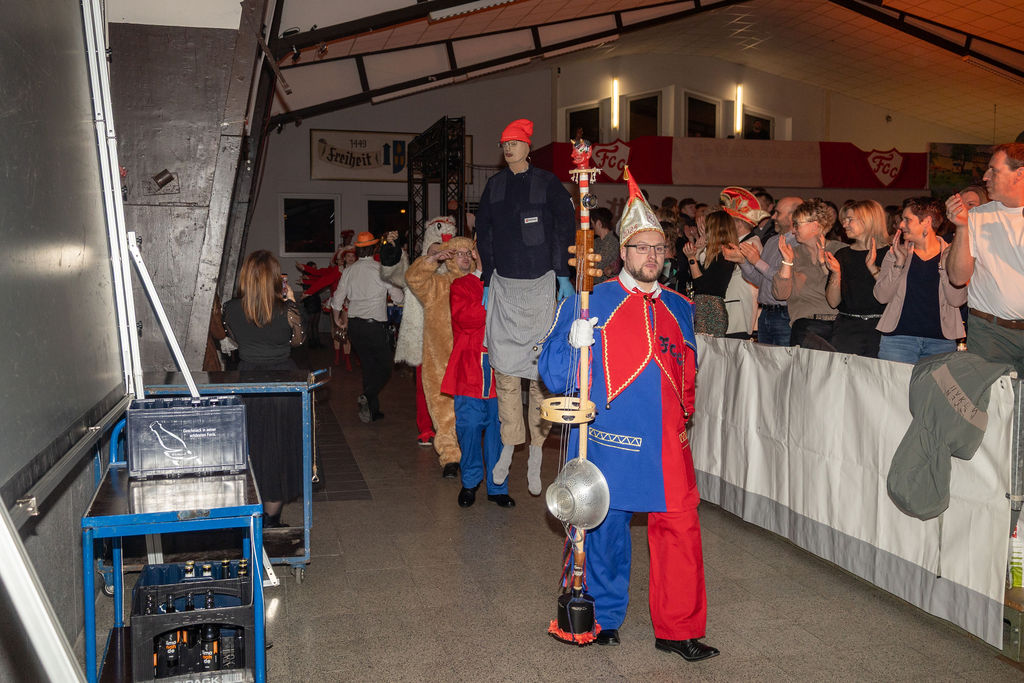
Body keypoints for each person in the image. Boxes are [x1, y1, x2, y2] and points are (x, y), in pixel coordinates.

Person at [538, 169, 718, 662]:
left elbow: (688, 371)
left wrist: (684, 418)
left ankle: (679, 629)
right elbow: (554, 375)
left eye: (659, 248)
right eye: (641, 248)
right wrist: (572, 343)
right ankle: (604, 617)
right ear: (623, 251)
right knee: (605, 532)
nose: (651, 256)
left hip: (668, 444)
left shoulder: (680, 306)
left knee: (680, 531)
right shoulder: (589, 301)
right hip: (610, 440)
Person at [476, 118, 574, 495]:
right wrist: (488, 279)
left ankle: (535, 452)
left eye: (514, 142)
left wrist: (562, 273)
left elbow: (564, 227)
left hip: (541, 285)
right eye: (504, 143)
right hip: (504, 286)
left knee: (538, 377)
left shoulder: (547, 182)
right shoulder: (494, 185)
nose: (508, 148)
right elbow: (484, 232)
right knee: (504, 372)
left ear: (527, 146)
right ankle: (509, 444)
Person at [222, 250, 305, 528]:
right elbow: (298, 341)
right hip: (283, 382)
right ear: (275, 278)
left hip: (248, 381)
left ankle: (250, 512)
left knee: (252, 447)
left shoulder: (230, 308)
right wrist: (291, 303)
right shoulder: (286, 310)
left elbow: (233, 339)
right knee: (280, 449)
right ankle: (271, 518)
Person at [441, 244, 514, 508]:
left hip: (500, 371)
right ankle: (470, 482)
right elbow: (466, 318)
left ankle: (497, 486)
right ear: (476, 253)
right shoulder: (461, 285)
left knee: (499, 431)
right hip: (469, 370)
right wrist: (497, 302)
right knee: (469, 428)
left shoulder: (508, 284)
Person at [946, 143, 1024, 375]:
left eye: (994, 170)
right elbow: (957, 278)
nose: (985, 176)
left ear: (1019, 174)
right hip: (990, 333)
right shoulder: (977, 217)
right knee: (988, 395)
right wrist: (961, 227)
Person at [406, 234, 478, 479]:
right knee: (443, 413)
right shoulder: (437, 286)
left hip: (472, 362)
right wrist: (432, 258)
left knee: (471, 414)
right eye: (459, 253)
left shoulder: (482, 283)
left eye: (468, 253)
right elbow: (413, 278)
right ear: (450, 258)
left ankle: (470, 454)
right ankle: (450, 457)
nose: (464, 258)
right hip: (440, 362)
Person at [873, 197, 966, 363]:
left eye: (907, 219)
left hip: (941, 343)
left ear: (926, 222)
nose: (901, 225)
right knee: (896, 381)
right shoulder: (895, 253)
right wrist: (899, 264)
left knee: (935, 382)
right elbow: (881, 297)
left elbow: (957, 300)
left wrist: (945, 265)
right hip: (898, 340)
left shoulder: (952, 254)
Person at [331, 231, 404, 423]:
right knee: (385, 368)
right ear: (374, 249)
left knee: (368, 367)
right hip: (375, 327)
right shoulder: (381, 269)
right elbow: (398, 298)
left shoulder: (349, 271)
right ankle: (367, 395)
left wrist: (337, 319)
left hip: (355, 326)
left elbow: (337, 299)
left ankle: (372, 411)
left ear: (358, 250)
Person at [773, 199, 845, 349]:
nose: (793, 231)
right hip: (805, 328)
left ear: (815, 226)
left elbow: (846, 292)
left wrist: (824, 264)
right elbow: (780, 294)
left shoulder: (841, 251)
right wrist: (787, 262)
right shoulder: (793, 254)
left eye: (797, 225)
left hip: (839, 327)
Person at [825, 200, 890, 357]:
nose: (844, 225)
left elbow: (893, 294)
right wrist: (836, 273)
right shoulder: (842, 255)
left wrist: (874, 268)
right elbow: (833, 302)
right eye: (844, 220)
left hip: (882, 329)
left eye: (850, 220)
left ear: (868, 221)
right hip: (847, 329)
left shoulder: (891, 254)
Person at [736, 196, 803, 346]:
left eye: (778, 213)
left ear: (793, 216)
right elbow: (760, 280)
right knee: (764, 359)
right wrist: (742, 261)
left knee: (783, 359)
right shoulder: (772, 241)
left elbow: (785, 279)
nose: (773, 217)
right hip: (765, 313)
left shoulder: (799, 244)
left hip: (786, 315)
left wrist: (757, 261)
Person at [682, 210, 735, 336]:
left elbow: (702, 284)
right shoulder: (716, 253)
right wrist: (697, 254)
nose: (703, 230)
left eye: (706, 226)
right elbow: (698, 279)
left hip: (710, 310)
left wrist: (691, 258)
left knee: (707, 348)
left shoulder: (725, 254)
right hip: (705, 307)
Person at [590, 206, 620, 285]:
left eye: (592, 224)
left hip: (607, 285)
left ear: (599, 223)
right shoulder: (597, 241)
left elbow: (599, 264)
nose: (591, 227)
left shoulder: (612, 241)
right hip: (595, 284)